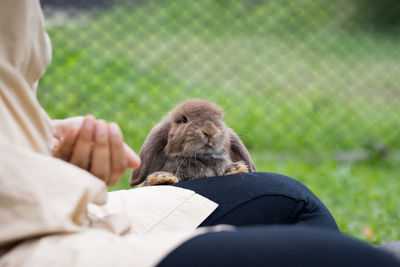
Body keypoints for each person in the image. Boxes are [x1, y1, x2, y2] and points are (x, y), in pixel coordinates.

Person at [0, 1, 398, 266]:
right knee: (343, 259)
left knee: (287, 197)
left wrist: (40, 140)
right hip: (25, 240)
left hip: (51, 205)